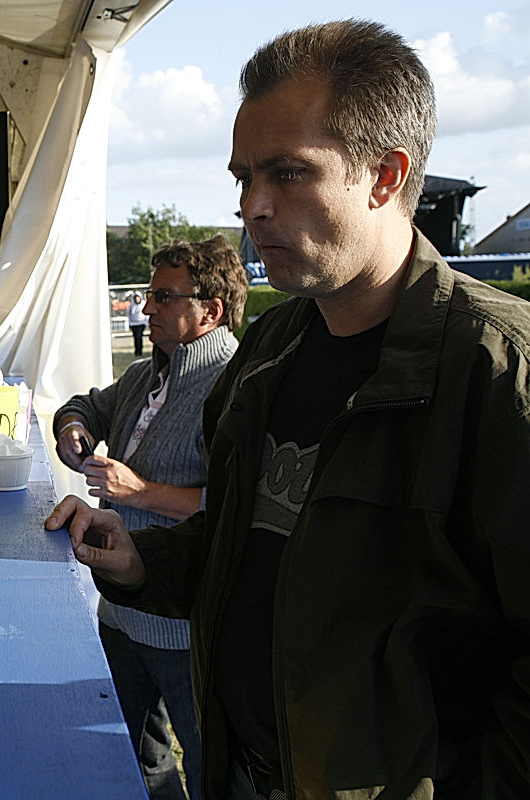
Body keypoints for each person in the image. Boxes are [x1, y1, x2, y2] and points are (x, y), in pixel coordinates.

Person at [47, 19, 530, 799]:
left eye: (288, 174)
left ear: (385, 173)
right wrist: (142, 563)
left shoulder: (496, 371)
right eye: (243, 178)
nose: (253, 208)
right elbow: (245, 544)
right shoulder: (271, 350)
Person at [55, 235, 247, 800]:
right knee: (133, 754)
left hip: (185, 625)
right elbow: (86, 404)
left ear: (210, 310)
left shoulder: (236, 386)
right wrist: (73, 429)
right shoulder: (146, 373)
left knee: (211, 763)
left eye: (164, 297)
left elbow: (239, 508)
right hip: (120, 610)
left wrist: (139, 491)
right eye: (148, 294)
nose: (146, 309)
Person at [127, 290, 148, 357]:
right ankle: (136, 351)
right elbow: (129, 314)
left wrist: (146, 322)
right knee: (136, 338)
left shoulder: (143, 304)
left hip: (141, 323)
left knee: (139, 337)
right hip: (134, 324)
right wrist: (130, 323)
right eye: (135, 297)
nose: (137, 299)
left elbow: (146, 314)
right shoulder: (131, 305)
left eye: (138, 297)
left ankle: (140, 350)